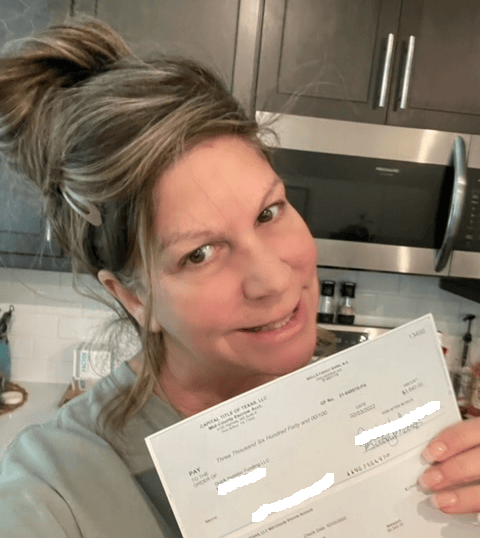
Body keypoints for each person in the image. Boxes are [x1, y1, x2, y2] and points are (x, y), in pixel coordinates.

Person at [0, 16, 478, 538]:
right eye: (200, 253)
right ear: (134, 298)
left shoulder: (381, 411)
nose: (272, 280)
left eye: (269, 212)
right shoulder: (54, 491)